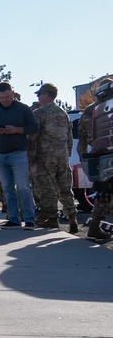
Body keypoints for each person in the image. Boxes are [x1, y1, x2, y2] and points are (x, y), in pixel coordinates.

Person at [0, 80, 39, 229]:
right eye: (1, 98)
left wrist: (17, 129)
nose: (4, 100)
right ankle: (14, 218)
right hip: (0, 154)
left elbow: (35, 127)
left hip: (18, 153)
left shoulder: (23, 109)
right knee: (7, 188)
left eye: (7, 97)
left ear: (13, 94)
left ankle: (29, 219)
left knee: (23, 187)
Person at [29, 83, 78, 232]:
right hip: (62, 155)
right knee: (65, 187)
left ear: (46, 95)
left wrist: (30, 153)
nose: (38, 97)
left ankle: (52, 218)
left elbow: (33, 136)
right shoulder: (63, 113)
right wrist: (67, 153)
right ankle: (71, 218)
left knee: (48, 188)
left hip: (46, 156)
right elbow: (69, 136)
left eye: (39, 94)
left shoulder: (39, 113)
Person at [78, 78, 112, 241]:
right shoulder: (106, 108)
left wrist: (84, 158)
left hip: (98, 154)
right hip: (107, 153)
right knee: (106, 191)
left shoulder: (90, 110)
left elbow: (82, 138)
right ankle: (94, 227)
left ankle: (94, 226)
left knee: (104, 192)